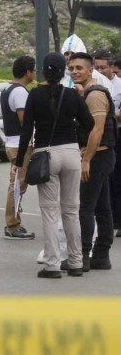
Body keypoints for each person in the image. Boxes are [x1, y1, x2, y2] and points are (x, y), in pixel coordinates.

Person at [15, 52, 93, 279]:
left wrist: (20, 163)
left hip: (46, 154)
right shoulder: (73, 95)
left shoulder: (34, 95)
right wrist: (76, 138)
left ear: (43, 72)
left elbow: (26, 131)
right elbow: (88, 123)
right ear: (63, 72)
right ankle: (76, 262)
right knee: (71, 210)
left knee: (50, 212)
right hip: (71, 153)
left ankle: (52, 265)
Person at [68, 52, 117, 270]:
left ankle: (83, 256)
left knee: (86, 208)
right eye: (71, 68)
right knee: (102, 207)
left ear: (90, 70)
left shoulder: (95, 94)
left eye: (79, 68)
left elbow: (97, 129)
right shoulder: (88, 92)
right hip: (102, 156)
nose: (74, 72)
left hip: (98, 156)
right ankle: (101, 255)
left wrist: (86, 159)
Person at [1, 56, 36, 240]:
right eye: (33, 71)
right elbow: (25, 121)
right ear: (28, 72)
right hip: (19, 145)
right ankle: (12, 225)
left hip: (13, 142)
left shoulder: (8, 89)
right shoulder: (20, 92)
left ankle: (15, 222)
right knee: (17, 185)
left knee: (18, 184)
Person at [91, 50, 121, 239]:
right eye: (97, 67)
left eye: (104, 67)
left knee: (117, 178)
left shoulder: (117, 86)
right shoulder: (94, 84)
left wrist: (105, 115)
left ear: (112, 67)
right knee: (105, 181)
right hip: (99, 134)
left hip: (116, 133)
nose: (100, 71)